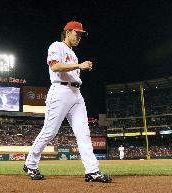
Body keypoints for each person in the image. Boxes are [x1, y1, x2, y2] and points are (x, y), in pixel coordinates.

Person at [24, 21, 112, 183]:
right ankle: (30, 163)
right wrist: (79, 65)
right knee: (50, 130)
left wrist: (78, 65)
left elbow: (71, 71)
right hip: (60, 91)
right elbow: (55, 67)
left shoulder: (73, 54)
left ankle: (92, 171)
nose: (79, 37)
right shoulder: (56, 46)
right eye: (77, 33)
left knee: (84, 133)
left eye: (81, 35)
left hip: (76, 93)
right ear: (68, 32)